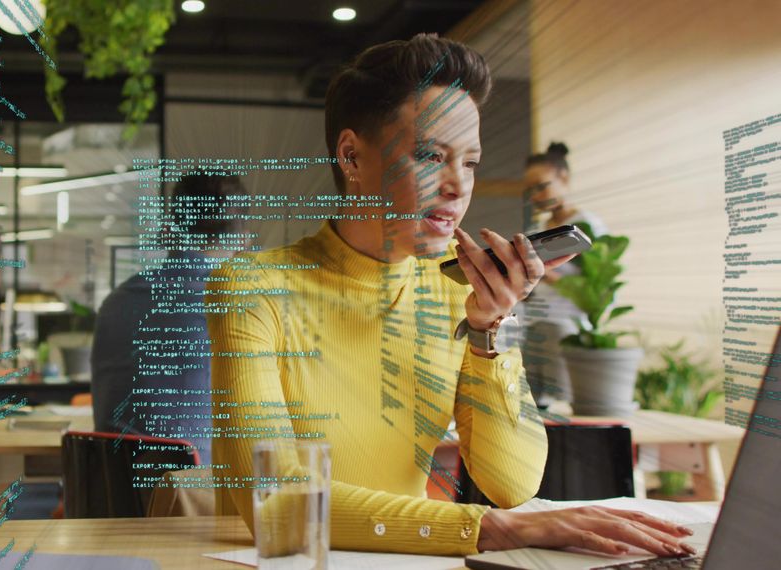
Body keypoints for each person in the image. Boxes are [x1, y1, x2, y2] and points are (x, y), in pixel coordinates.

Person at [206, 34, 695, 558]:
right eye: (430, 156)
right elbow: (277, 505)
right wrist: (498, 530)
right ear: (351, 154)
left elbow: (513, 483)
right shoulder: (251, 289)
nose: (458, 186)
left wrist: (488, 328)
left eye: (470, 162)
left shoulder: (452, 294)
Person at [92, 172, 249, 463]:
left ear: (170, 229)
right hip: (196, 501)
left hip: (109, 496)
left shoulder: (115, 302)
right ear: (242, 239)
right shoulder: (235, 306)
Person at [521, 143, 609, 404]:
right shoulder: (538, 227)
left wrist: (546, 274)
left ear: (564, 179)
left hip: (564, 327)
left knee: (559, 404)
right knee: (533, 404)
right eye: (531, 190)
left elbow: (596, 287)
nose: (536, 196)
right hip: (534, 323)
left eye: (542, 186)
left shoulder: (585, 225)